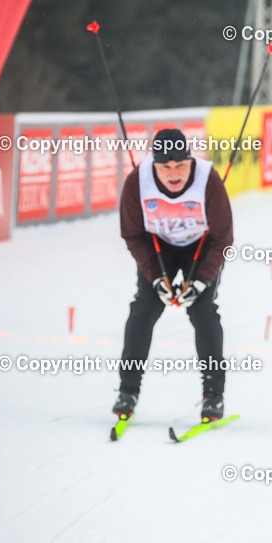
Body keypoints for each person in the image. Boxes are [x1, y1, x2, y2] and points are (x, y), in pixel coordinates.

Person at [112, 128, 234, 422]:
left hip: (202, 247)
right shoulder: (136, 183)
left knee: (203, 310)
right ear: (154, 164)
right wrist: (155, 277)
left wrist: (201, 281)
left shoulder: (208, 180)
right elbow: (132, 234)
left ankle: (213, 396)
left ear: (191, 161)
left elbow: (223, 239)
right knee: (145, 308)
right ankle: (128, 391)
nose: (174, 173)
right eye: (166, 167)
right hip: (159, 248)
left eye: (181, 165)